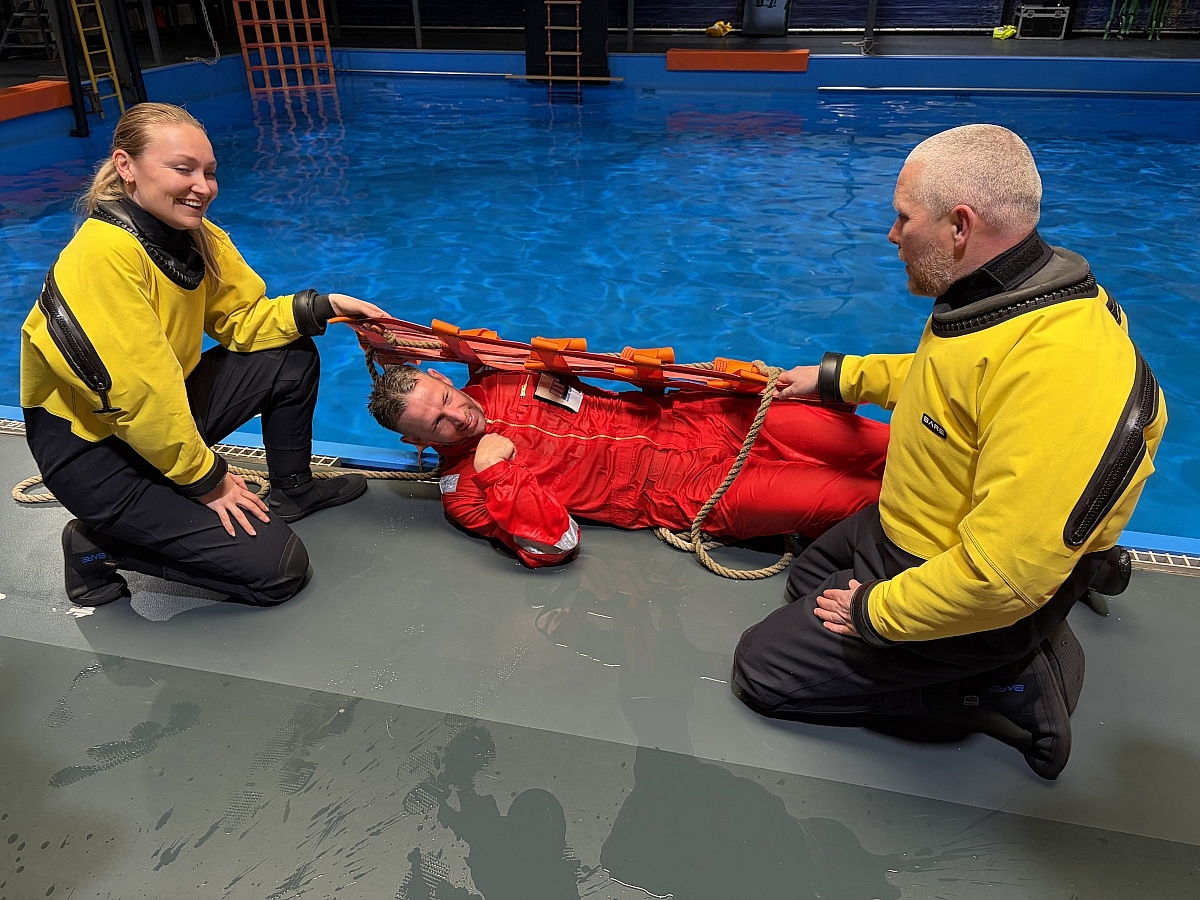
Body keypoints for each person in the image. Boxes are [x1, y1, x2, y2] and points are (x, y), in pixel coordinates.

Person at [730, 124, 1166, 779]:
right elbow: (949, 381)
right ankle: (1065, 589)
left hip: (975, 576)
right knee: (803, 584)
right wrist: (838, 378)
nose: (892, 235)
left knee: (762, 670)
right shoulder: (1002, 294)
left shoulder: (1061, 366)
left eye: (904, 218)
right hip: (916, 525)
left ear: (960, 226)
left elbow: (1001, 577)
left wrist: (876, 612)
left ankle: (1009, 683)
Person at [20, 102, 388, 608]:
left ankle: (294, 489)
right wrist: (209, 482)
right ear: (126, 166)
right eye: (183, 169)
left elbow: (242, 320)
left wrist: (324, 307)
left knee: (289, 352)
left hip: (152, 423)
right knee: (279, 572)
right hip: (95, 454)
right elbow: (141, 397)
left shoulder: (194, 233)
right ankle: (96, 547)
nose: (202, 187)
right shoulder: (101, 256)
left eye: (209, 172)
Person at [366, 365, 890, 568]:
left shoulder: (506, 375)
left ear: (442, 377)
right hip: (686, 492)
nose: (458, 416)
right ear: (417, 440)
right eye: (437, 424)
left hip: (711, 420)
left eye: (446, 398)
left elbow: (597, 369)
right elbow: (555, 544)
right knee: (860, 498)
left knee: (887, 445)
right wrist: (499, 475)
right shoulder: (465, 494)